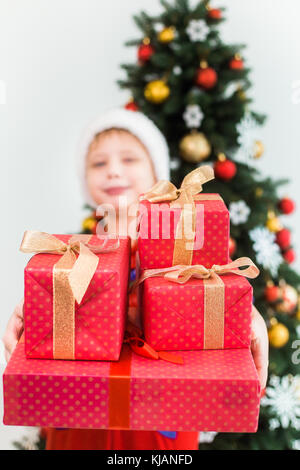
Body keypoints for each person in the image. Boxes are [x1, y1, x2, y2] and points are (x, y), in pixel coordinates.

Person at [2, 108, 269, 450]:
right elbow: (53, 299)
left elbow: (216, 284)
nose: (113, 170)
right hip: (82, 420)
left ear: (156, 173)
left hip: (160, 421)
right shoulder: (73, 251)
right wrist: (36, 310)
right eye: (99, 164)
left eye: (129, 159)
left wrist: (251, 316)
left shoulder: (180, 248)